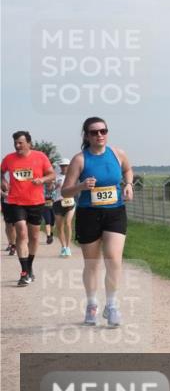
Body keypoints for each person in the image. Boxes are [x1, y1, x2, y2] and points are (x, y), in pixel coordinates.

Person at [61, 118, 134, 327]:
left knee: (113, 259)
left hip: (115, 212)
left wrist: (128, 185)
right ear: (86, 136)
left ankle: (111, 305)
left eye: (103, 131)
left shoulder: (118, 153)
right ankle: (92, 304)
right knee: (92, 264)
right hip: (88, 214)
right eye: (94, 132)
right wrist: (82, 186)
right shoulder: (79, 160)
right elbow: (65, 190)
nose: (99, 135)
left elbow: (128, 170)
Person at [0, 131, 55, 285]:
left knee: (35, 237)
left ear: (29, 143)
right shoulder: (8, 159)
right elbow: (0, 172)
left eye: (20, 143)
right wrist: (3, 181)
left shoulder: (40, 157)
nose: (17, 146)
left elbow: (51, 175)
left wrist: (42, 179)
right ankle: (24, 273)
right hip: (16, 202)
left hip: (36, 202)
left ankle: (29, 266)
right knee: (21, 233)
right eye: (15, 143)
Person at [52, 158, 76, 257]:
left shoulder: (73, 176)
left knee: (68, 223)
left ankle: (68, 247)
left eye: (66, 165)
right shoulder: (56, 176)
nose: (64, 167)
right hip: (58, 202)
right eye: (62, 165)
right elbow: (50, 188)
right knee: (59, 226)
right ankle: (63, 247)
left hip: (70, 202)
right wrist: (55, 187)